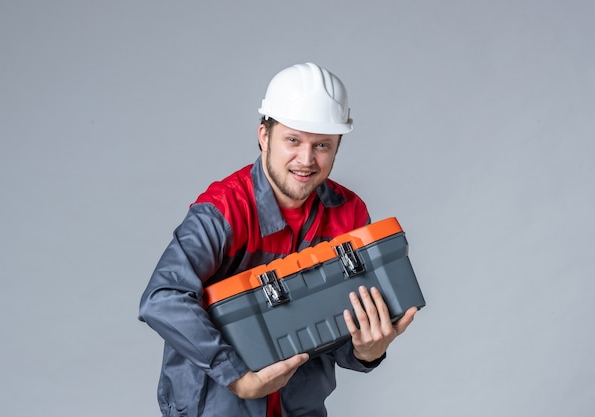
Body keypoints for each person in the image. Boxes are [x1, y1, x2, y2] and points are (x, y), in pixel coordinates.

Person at [139, 62, 417, 417]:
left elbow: (336, 329)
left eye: (322, 145)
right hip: (214, 407)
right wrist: (239, 377)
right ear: (264, 136)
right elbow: (163, 298)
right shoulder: (225, 210)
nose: (306, 159)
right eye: (293, 140)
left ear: (337, 146)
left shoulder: (348, 214)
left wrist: (367, 350)